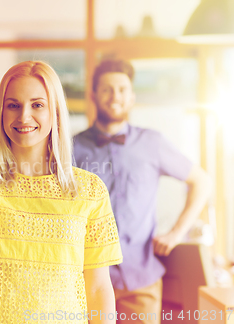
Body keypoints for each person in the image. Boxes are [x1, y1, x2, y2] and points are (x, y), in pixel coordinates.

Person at [0, 61, 123, 324]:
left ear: (55, 113)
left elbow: (98, 288)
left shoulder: (90, 190)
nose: (24, 116)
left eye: (37, 105)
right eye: (13, 105)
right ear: (2, 113)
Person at [73, 59, 212, 324]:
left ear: (132, 96)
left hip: (141, 281)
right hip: (85, 280)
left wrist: (176, 233)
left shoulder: (152, 142)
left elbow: (201, 182)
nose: (116, 96)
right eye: (107, 89)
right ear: (93, 95)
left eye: (123, 89)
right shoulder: (72, 147)